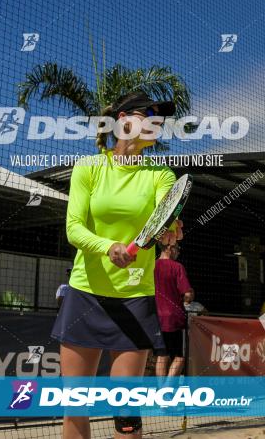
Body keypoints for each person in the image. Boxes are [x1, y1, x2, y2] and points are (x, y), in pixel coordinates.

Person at [51, 91, 183, 439]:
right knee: (75, 407)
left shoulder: (161, 175)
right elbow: (74, 229)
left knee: (126, 412)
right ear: (123, 121)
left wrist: (169, 231)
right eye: (148, 114)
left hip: (134, 298)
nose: (157, 121)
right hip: (85, 294)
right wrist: (108, 247)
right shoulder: (89, 168)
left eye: (160, 117)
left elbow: (162, 220)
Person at [154, 242, 194, 378]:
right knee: (180, 357)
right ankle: (166, 389)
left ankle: (161, 393)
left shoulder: (151, 266)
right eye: (178, 248)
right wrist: (188, 298)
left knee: (162, 357)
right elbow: (187, 294)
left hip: (155, 318)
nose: (179, 252)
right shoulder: (177, 267)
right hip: (174, 319)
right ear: (170, 248)